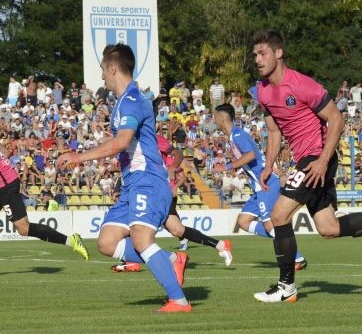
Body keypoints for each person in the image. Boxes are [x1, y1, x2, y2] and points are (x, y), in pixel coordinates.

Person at [250, 29, 362, 303]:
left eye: (262, 53)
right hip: (306, 159)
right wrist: (268, 165)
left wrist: (322, 160)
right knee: (328, 228)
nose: (257, 59)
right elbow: (274, 133)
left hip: (316, 157)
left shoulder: (302, 84)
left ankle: (286, 288)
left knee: (279, 215)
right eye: (255, 55)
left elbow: (337, 119)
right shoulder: (262, 91)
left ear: (278, 53)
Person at [56, 43, 190, 313]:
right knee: (106, 242)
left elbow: (122, 142)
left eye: (103, 70)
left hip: (147, 180)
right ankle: (171, 259)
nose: (102, 76)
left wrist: (78, 157)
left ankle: (179, 300)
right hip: (132, 185)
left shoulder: (132, 100)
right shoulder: (124, 101)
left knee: (141, 238)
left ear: (113, 68)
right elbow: (123, 143)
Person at [0, 110, 88, 278]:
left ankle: (71, 240)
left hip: (7, 185)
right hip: (3, 183)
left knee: (23, 229)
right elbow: (6, 153)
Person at [111, 133, 233, 273]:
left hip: (157, 192)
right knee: (177, 230)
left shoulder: (154, 138)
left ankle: (134, 262)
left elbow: (178, 154)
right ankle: (221, 245)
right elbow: (129, 169)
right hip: (142, 189)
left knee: (136, 224)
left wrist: (173, 168)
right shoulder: (127, 139)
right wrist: (118, 188)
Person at [213, 104, 306, 269]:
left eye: (215, 117)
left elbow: (251, 155)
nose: (214, 121)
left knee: (271, 225)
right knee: (243, 222)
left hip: (266, 182)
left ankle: (296, 258)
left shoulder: (237, 134)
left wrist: (228, 166)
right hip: (259, 186)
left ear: (221, 118)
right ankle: (284, 238)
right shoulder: (234, 136)